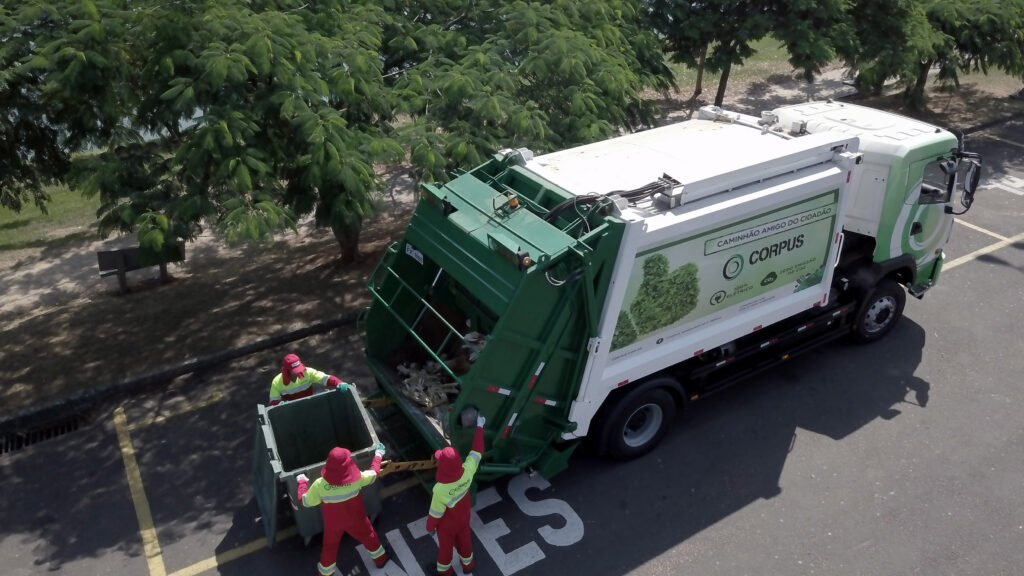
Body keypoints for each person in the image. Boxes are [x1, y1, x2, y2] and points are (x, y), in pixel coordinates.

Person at [296, 443, 389, 575]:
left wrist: (301, 482)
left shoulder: (320, 485)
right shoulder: (357, 478)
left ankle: (325, 574)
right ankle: (380, 560)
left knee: (330, 548)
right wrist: (379, 454)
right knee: (369, 536)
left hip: (333, 524)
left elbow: (305, 501)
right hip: (357, 519)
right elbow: (374, 474)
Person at [426, 413, 486, 575]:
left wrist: (430, 527)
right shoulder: (467, 472)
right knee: (465, 542)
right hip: (464, 519)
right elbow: (477, 451)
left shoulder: (440, 490)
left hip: (447, 526)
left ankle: (445, 572)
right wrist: (480, 427)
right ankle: (468, 565)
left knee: (446, 549)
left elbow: (435, 513)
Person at [269, 353, 348, 405]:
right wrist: (280, 405)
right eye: (295, 370)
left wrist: (339, 383)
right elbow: (273, 400)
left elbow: (325, 378)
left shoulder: (308, 372)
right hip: (291, 411)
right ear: (287, 370)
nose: (299, 372)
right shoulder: (277, 382)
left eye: (299, 368)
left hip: (309, 404)